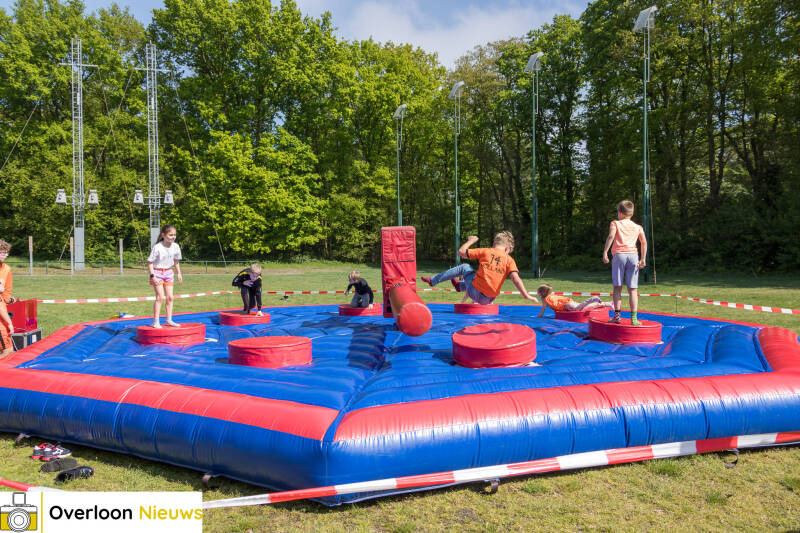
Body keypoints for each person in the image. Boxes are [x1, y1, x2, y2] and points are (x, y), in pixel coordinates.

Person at [421, 232, 538, 305]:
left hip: (475, 293)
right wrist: (526, 295)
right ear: (507, 249)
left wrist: (470, 241)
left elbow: (461, 252)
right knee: (480, 275)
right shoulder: (509, 259)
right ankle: (460, 286)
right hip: (489, 299)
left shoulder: (486, 251)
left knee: (465, 267)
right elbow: (516, 278)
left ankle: (433, 280)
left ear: (493, 244)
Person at [602, 200, 648, 325]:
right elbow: (643, 242)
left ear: (619, 213)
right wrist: (643, 258)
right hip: (633, 256)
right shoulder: (638, 227)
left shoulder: (615, 223)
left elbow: (611, 236)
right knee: (633, 289)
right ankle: (634, 318)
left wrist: (605, 251)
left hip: (619, 255)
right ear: (631, 214)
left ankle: (617, 317)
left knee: (617, 287)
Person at [147, 225, 183, 328]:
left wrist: (179, 273)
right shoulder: (157, 247)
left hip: (168, 273)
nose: (173, 237)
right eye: (170, 235)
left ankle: (169, 320)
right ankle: (156, 321)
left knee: (170, 298)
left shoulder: (176, 246)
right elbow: (150, 262)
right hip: (157, 273)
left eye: (174, 235)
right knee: (159, 297)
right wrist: (153, 276)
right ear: (163, 235)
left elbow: (176, 261)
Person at [536, 284, 612, 318]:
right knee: (584, 307)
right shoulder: (551, 296)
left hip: (567, 305)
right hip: (568, 303)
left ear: (542, 292)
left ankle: (593, 299)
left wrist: (539, 317)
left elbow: (543, 309)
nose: (537, 292)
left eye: (538, 291)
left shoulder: (544, 299)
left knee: (580, 307)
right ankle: (607, 303)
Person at [0, 240, 15, 359]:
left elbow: (6, 292)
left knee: (9, 351)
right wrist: (10, 323)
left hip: (3, 314)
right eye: (3, 253)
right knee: (7, 351)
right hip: (2, 317)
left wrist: (9, 299)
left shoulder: (6, 269)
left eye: (6, 253)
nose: (6, 255)